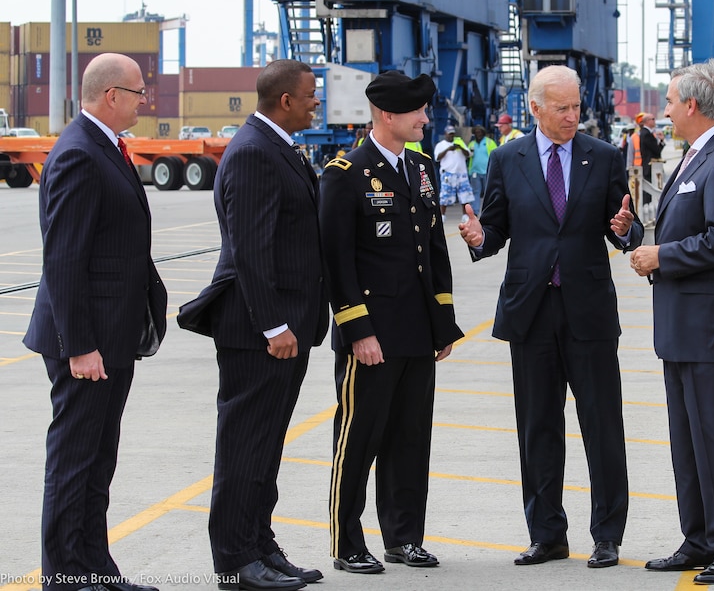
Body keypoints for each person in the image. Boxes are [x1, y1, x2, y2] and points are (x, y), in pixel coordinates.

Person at [457, 65, 643, 570]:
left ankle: (607, 534)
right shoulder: (506, 159)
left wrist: (626, 229)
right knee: (537, 427)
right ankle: (547, 534)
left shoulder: (603, 157)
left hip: (588, 310)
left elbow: (624, 224)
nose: (572, 116)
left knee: (602, 425)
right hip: (532, 312)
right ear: (534, 109)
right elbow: (495, 227)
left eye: (577, 107)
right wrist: (479, 239)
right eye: (562, 108)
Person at [180, 59, 329, 591]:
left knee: (266, 446)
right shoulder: (251, 154)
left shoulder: (274, 148)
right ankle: (237, 561)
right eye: (311, 95)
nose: (318, 102)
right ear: (285, 100)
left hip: (287, 327)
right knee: (244, 445)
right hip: (259, 333)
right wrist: (272, 325)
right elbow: (249, 250)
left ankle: (261, 545)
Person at [24, 53, 168, 591]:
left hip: (111, 337)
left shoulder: (102, 147)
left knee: (97, 460)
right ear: (112, 96)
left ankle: (95, 568)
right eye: (137, 92)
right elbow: (63, 260)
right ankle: (64, 575)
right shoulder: (80, 154)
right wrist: (80, 346)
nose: (142, 100)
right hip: (86, 343)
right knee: (74, 459)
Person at [320, 71, 464, 575]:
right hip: (373, 336)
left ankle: (404, 538)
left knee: (410, 439)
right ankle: (347, 542)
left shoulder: (423, 168)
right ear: (386, 115)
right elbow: (337, 261)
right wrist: (357, 331)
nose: (426, 119)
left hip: (416, 332)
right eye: (418, 112)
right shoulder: (346, 173)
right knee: (359, 439)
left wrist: (442, 323)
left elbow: (435, 251)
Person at [629, 59, 714, 585]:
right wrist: (635, 235)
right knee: (687, 440)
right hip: (684, 328)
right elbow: (685, 226)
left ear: (692, 105)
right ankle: (700, 537)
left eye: (668, 100)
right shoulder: (694, 158)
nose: (662, 109)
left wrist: (662, 256)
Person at [433, 125, 474, 219]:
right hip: (448, 173)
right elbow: (437, 158)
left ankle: (465, 215)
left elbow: (468, 154)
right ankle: (442, 215)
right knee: (445, 195)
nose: (451, 136)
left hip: (461, 173)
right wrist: (448, 149)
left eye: (452, 134)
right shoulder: (441, 145)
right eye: (449, 134)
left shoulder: (459, 142)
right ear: (445, 134)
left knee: (465, 195)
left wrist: (461, 147)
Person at [635, 112, 666, 210]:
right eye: (652, 119)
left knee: (649, 190)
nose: (654, 121)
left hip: (649, 166)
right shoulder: (646, 134)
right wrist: (660, 142)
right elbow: (656, 150)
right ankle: (646, 209)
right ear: (647, 121)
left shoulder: (646, 133)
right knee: (648, 191)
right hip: (649, 166)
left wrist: (661, 141)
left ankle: (647, 208)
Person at [468, 124, 497, 215]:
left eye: (480, 132)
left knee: (488, 193)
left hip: (487, 172)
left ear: (483, 133)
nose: (478, 134)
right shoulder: (471, 144)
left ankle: (489, 211)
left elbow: (496, 156)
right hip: (475, 172)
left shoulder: (489, 142)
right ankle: (475, 212)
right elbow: (468, 156)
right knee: (475, 192)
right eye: (476, 132)